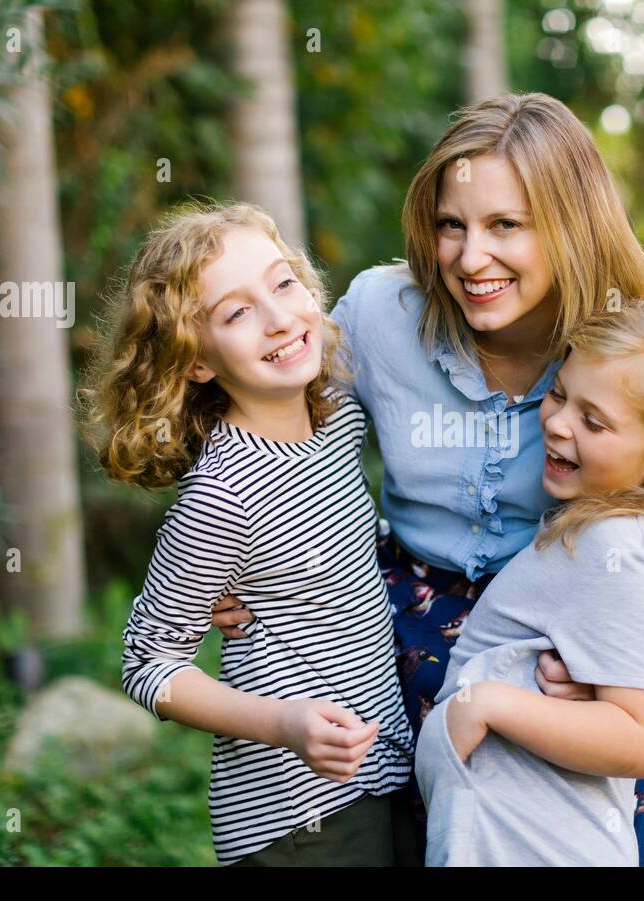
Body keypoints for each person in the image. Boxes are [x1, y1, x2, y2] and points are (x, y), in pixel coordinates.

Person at [212, 93, 644, 865]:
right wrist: (242, 556)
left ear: (570, 223)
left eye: (505, 226)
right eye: (451, 224)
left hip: (557, 677)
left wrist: (635, 636)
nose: (467, 258)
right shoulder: (379, 315)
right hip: (378, 648)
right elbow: (286, 433)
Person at [85, 202, 415, 866]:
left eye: (283, 283)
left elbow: (337, 547)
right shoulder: (223, 494)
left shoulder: (338, 413)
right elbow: (148, 661)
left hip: (385, 767)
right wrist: (283, 724)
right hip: (295, 811)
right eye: (235, 313)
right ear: (196, 362)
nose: (278, 318)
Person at [416, 299, 644, 866]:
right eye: (560, 393)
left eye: (594, 421)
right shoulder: (603, 525)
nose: (559, 422)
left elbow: (639, 739)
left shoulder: (620, 547)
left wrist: (486, 704)